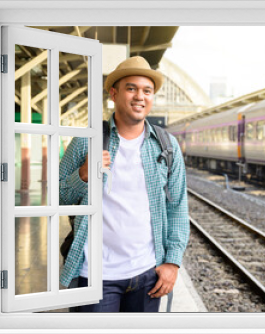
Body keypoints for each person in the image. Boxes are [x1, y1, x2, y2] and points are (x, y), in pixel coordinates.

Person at [58, 56, 189, 312]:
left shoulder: (167, 146)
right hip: (94, 276)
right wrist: (83, 175)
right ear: (114, 94)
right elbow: (59, 199)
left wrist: (172, 262)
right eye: (131, 88)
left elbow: (178, 208)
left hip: (147, 275)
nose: (140, 96)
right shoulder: (86, 142)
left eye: (147, 90)